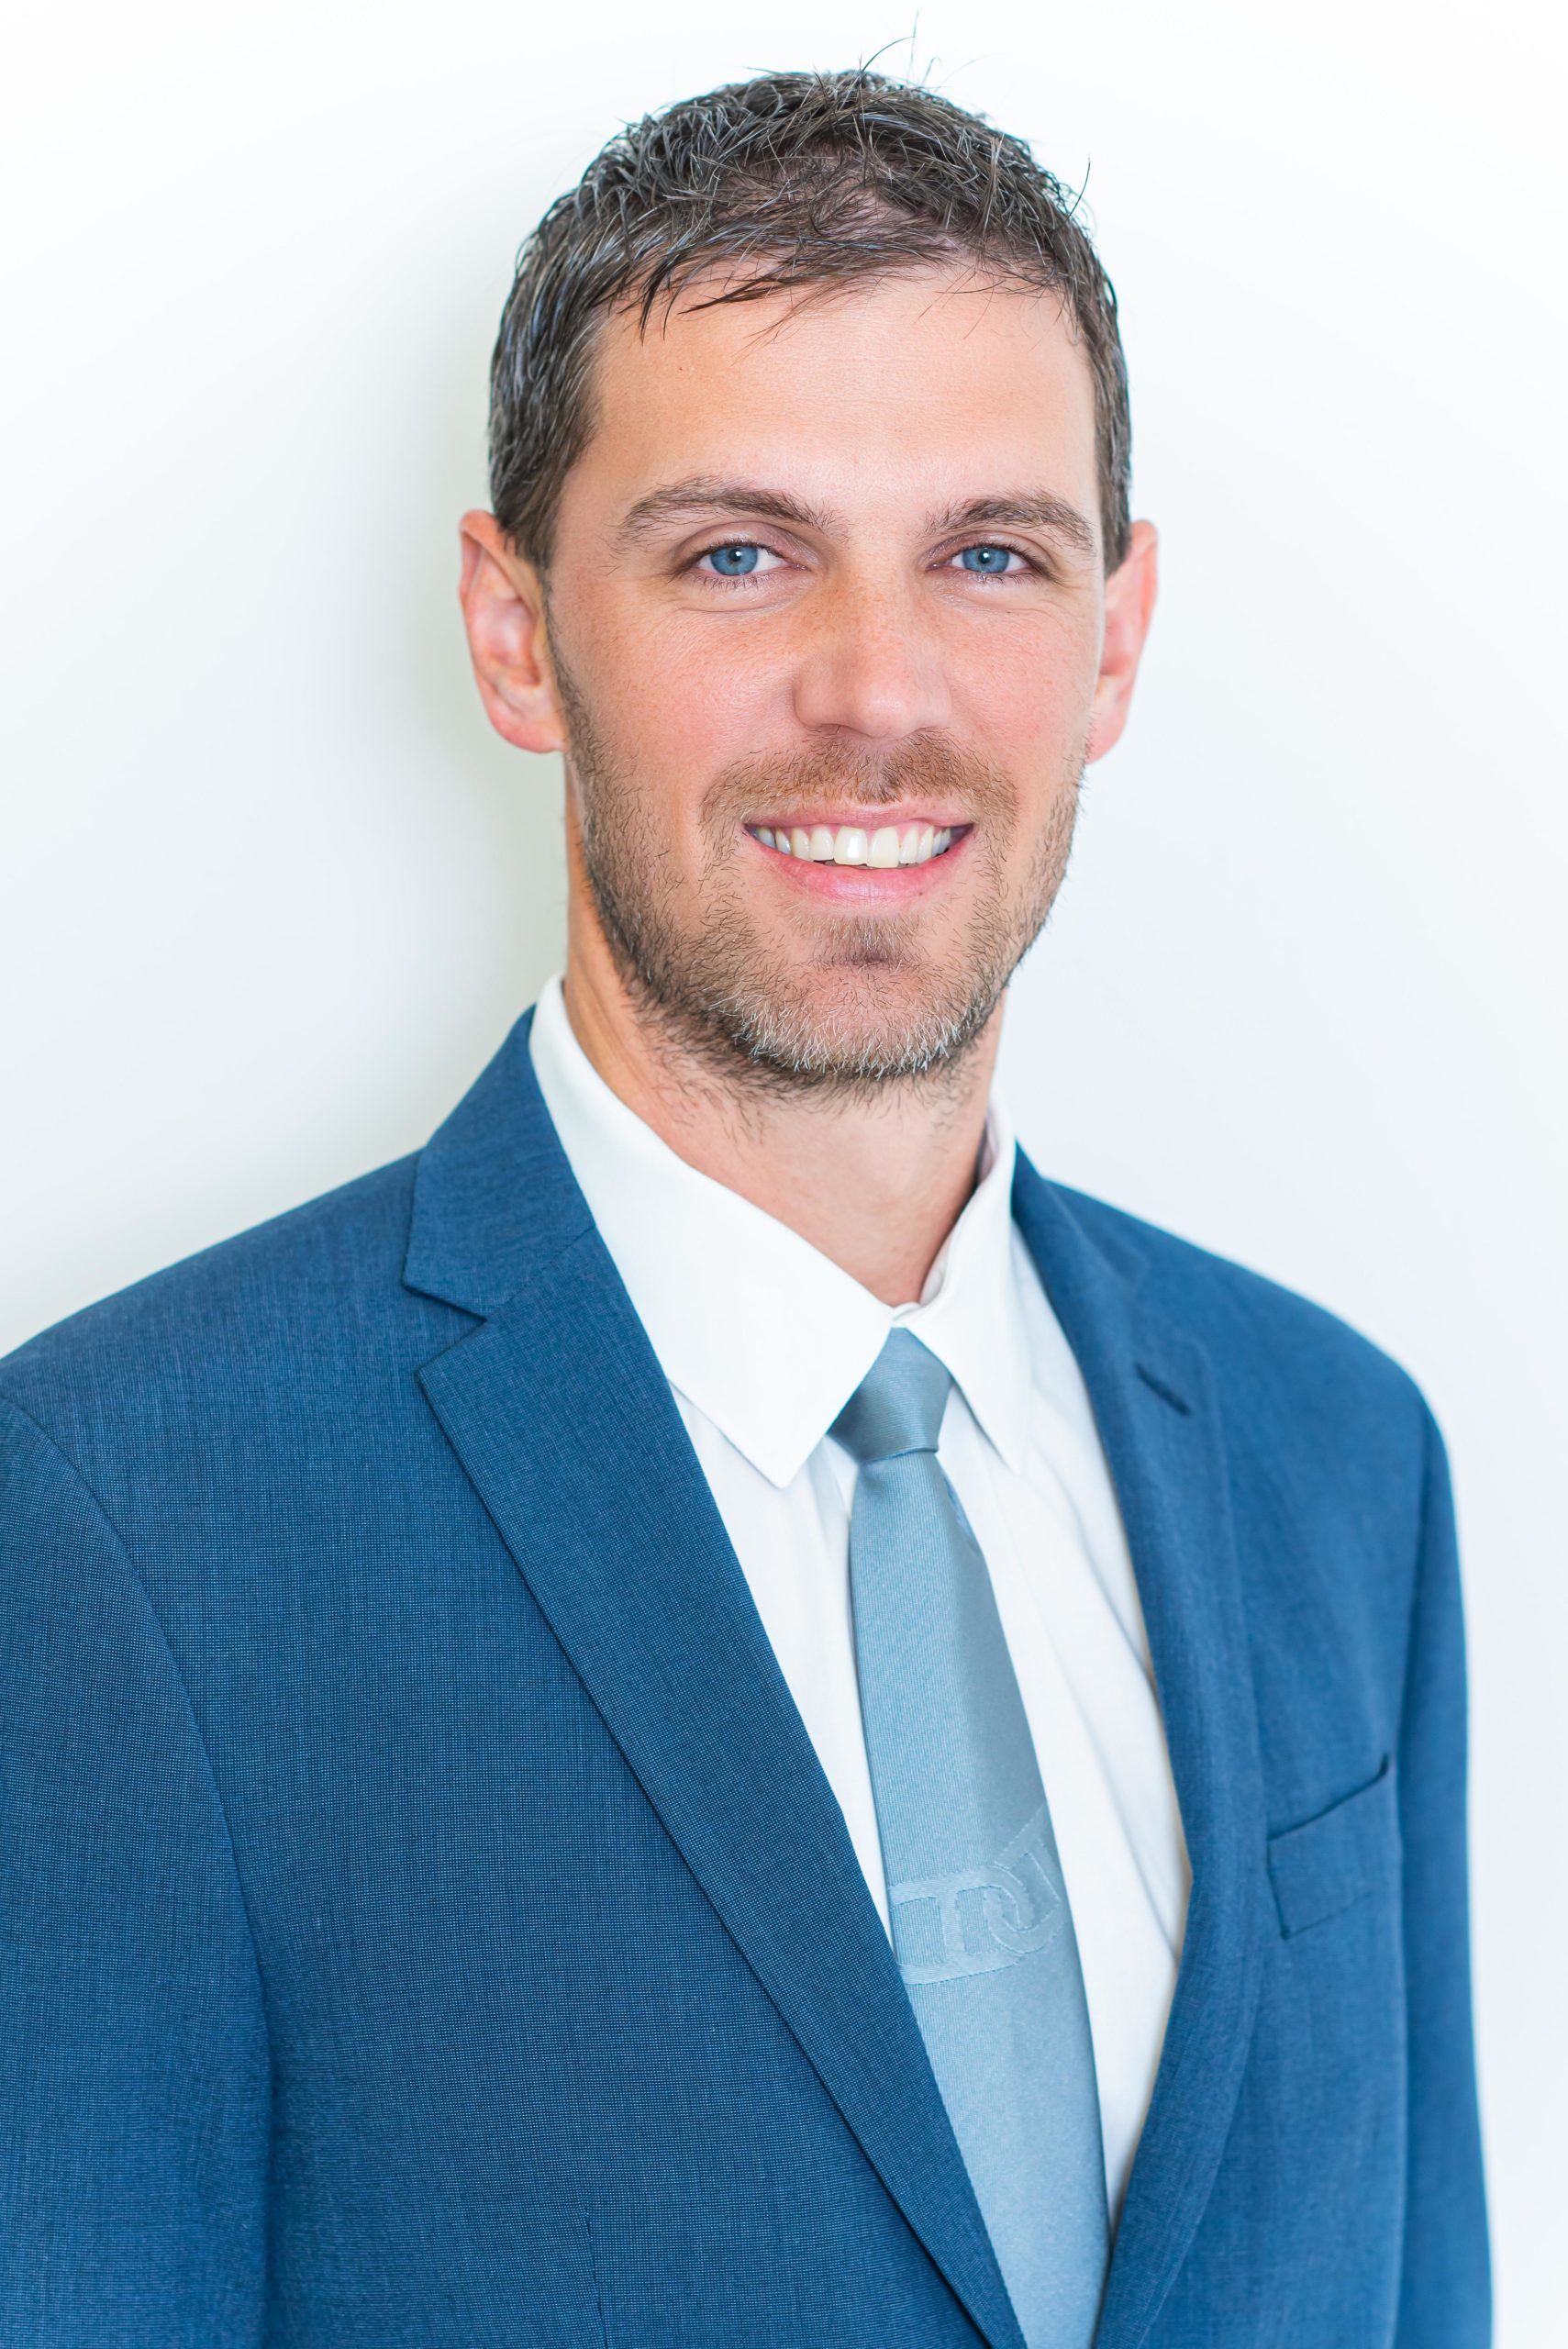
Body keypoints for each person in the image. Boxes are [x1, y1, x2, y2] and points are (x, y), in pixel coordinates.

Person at [0, 66, 1489, 2349]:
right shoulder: (123, 1520)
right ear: (516, 632)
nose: (877, 693)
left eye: (991, 552)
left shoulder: (1336, 1461)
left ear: (1116, 633)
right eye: (737, 552)